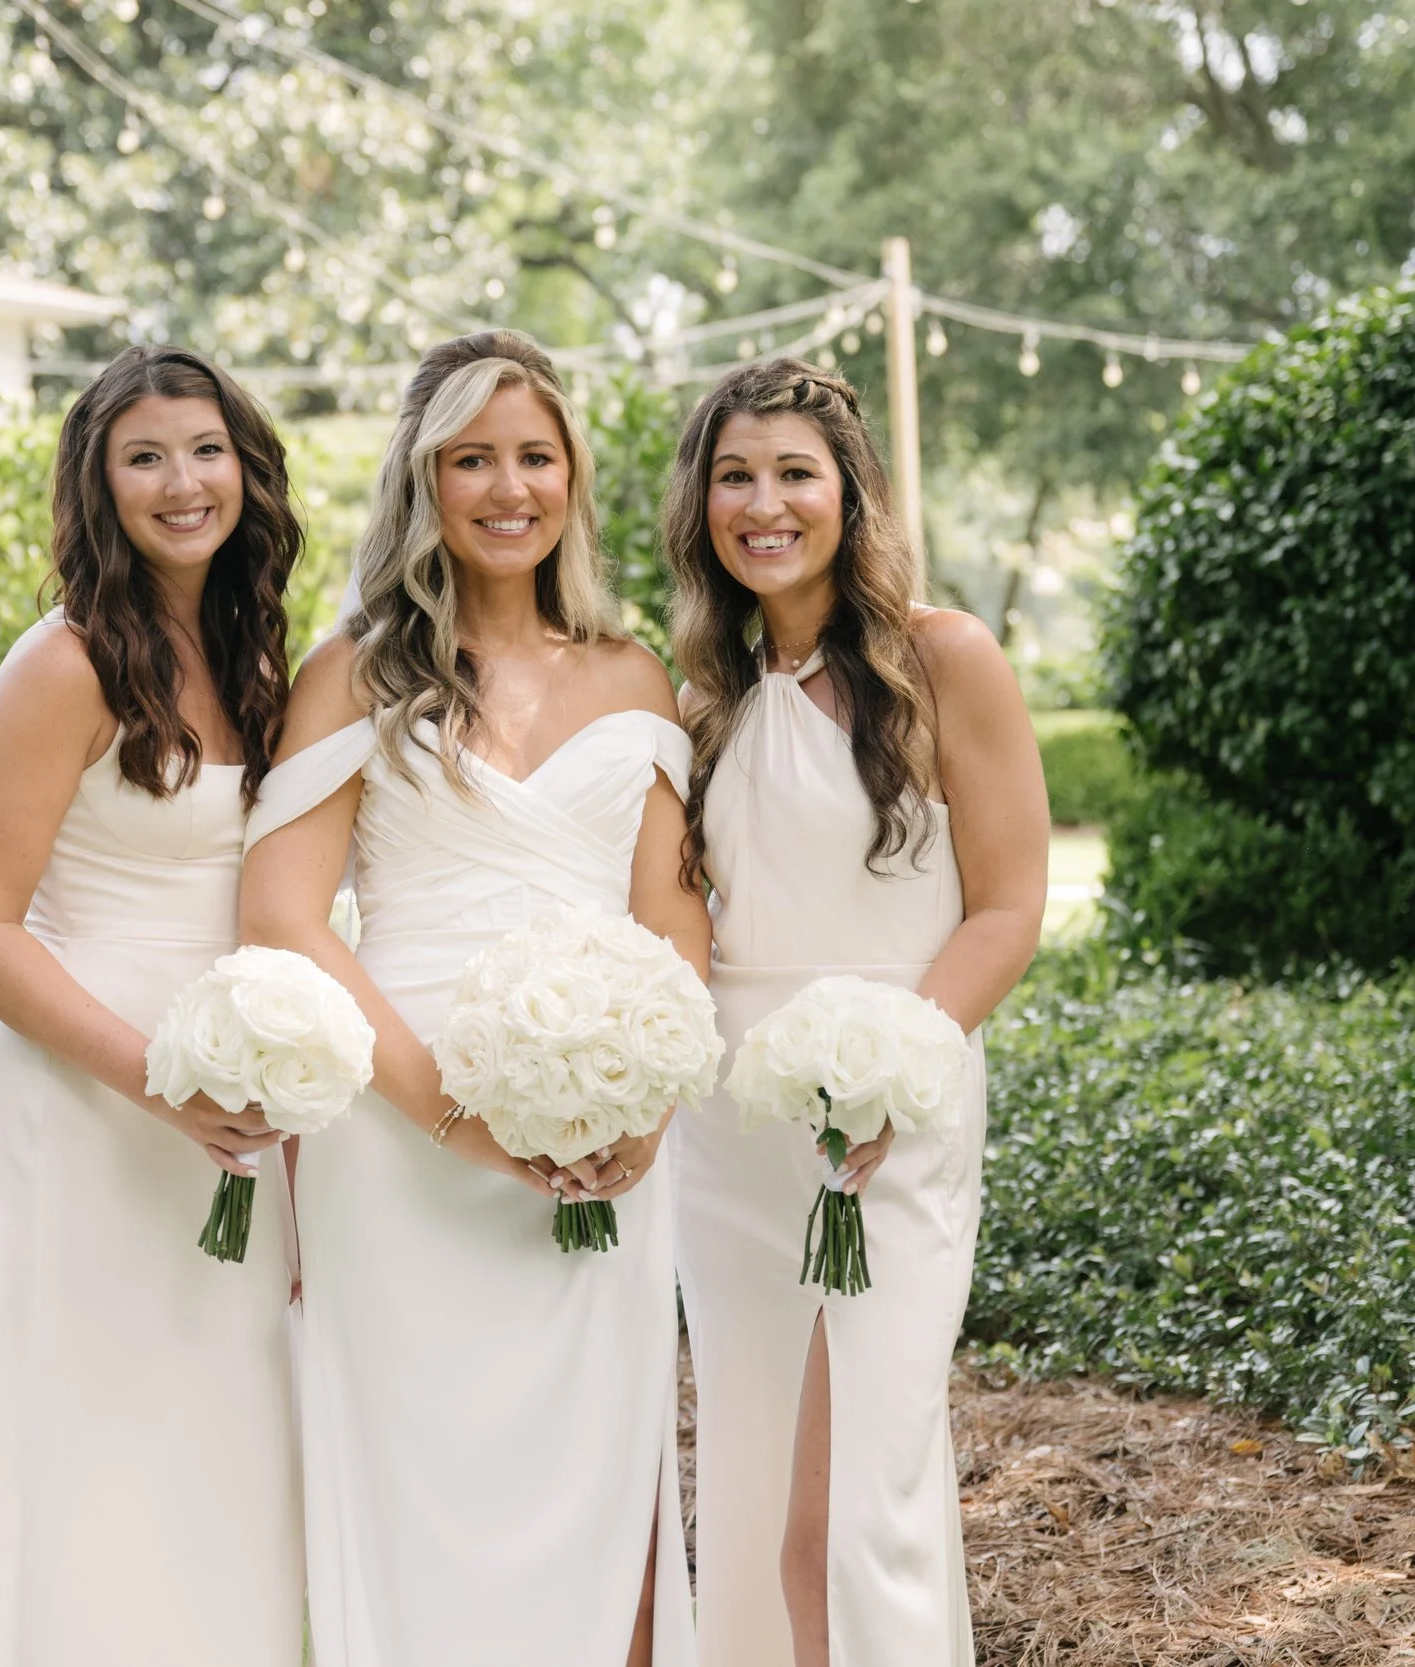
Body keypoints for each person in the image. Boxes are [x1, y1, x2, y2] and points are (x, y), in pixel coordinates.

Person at [238, 330, 704, 1667]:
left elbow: (675, 918)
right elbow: (282, 915)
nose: (509, 488)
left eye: (535, 457)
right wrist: (460, 1117)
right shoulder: (355, 673)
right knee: (422, 1496)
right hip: (401, 1144)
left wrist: (647, 1108)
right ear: (422, 479)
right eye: (472, 459)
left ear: (573, 478)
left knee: (605, 1490)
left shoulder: (633, 673)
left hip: (605, 1144)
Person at [0, 344, 305, 1666]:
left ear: (246, 469)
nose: (183, 482)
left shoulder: (254, 657)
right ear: (99, 484)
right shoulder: (63, 664)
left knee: (208, 1446)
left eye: (206, 450)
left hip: (231, 1116)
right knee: (67, 1446)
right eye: (145, 457)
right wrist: (158, 1079)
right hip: (78, 1112)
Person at [665, 359, 1047, 1667]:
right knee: (755, 1491)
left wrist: (897, 1067)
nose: (763, 504)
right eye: (734, 476)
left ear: (850, 492)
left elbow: (1009, 907)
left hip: (892, 1108)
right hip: (731, 1137)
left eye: (794, 473)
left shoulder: (946, 660)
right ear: (702, 505)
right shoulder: (701, 694)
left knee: (842, 1520)